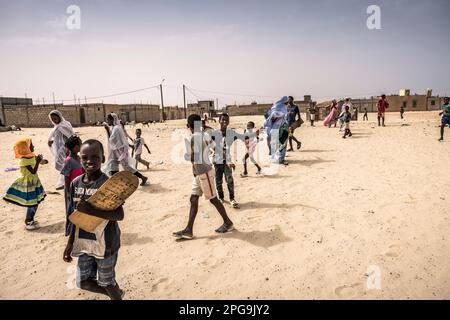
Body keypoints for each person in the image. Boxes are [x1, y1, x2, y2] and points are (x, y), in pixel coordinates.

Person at [63, 139, 125, 300]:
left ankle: (116, 296)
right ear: (79, 158)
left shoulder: (108, 184)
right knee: (83, 282)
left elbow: (119, 215)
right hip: (84, 242)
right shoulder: (76, 184)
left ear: (103, 159)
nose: (89, 161)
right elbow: (74, 216)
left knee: (107, 282)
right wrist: (70, 244)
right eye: (85, 157)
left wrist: (91, 210)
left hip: (106, 243)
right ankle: (118, 295)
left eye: (95, 157)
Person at [173, 114, 234, 240]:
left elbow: (193, 158)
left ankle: (228, 223)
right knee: (193, 199)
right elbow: (217, 149)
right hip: (199, 173)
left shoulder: (192, 138)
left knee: (213, 199)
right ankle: (188, 230)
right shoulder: (204, 135)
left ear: (188, 126)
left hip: (204, 173)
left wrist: (186, 156)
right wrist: (227, 160)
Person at [210, 113, 254, 208]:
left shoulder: (231, 133)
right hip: (217, 161)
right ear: (219, 121)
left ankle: (232, 198)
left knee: (229, 180)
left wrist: (252, 134)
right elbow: (210, 144)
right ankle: (221, 197)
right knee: (218, 181)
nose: (224, 122)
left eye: (226, 120)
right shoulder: (214, 133)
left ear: (229, 122)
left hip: (228, 161)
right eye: (223, 120)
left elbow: (243, 137)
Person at [3, 138, 46, 230]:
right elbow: (33, 171)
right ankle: (28, 221)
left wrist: (42, 161)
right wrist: (38, 161)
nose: (33, 146)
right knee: (32, 203)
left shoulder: (31, 156)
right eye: (31, 145)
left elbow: (35, 162)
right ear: (25, 148)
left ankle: (31, 219)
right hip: (28, 184)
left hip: (34, 182)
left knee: (36, 202)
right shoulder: (23, 160)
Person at [103, 113, 148, 186]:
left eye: (108, 120)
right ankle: (117, 184)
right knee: (113, 166)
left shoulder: (117, 128)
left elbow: (112, 140)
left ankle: (142, 177)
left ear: (112, 119)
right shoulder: (113, 127)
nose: (107, 121)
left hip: (119, 152)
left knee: (126, 167)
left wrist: (107, 130)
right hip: (114, 151)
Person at [61, 135, 84, 236]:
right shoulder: (69, 160)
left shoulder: (79, 158)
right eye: (80, 144)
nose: (82, 146)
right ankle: (70, 231)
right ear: (75, 147)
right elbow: (66, 178)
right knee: (71, 211)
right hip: (71, 190)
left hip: (80, 188)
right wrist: (69, 193)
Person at [48, 110, 74, 190]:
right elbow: (57, 136)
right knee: (64, 164)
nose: (54, 120)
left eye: (55, 118)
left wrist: (68, 148)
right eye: (52, 119)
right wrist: (52, 140)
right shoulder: (56, 126)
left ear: (59, 117)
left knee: (60, 164)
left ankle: (67, 181)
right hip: (59, 147)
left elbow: (70, 135)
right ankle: (65, 181)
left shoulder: (64, 125)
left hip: (64, 148)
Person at [264, 96, 289, 165]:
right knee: (282, 142)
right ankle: (280, 159)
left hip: (273, 128)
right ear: (285, 101)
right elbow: (275, 115)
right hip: (281, 127)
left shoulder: (274, 106)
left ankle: (274, 158)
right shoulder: (282, 107)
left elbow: (268, 116)